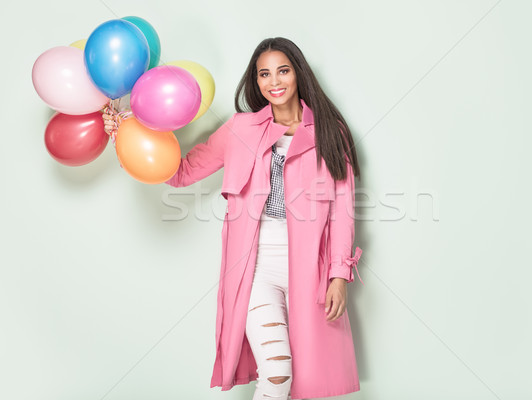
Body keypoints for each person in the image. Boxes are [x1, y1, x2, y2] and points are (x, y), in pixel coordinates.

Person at [107, 37, 363, 400]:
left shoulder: (329, 132)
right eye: (264, 74)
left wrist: (339, 275)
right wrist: (127, 139)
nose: (274, 81)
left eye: (283, 71)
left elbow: (342, 209)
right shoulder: (241, 128)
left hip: (312, 272)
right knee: (277, 372)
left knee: (306, 382)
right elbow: (180, 172)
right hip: (254, 270)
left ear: (298, 74)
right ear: (255, 81)